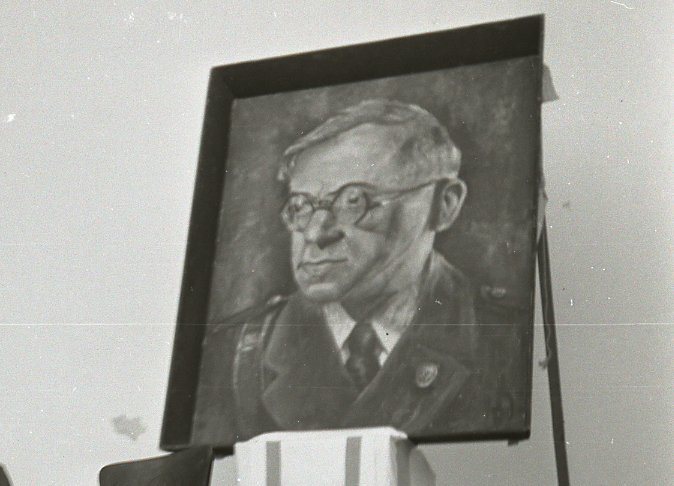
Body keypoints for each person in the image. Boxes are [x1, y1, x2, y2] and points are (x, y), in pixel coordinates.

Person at [192, 98, 529, 447]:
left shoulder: (506, 339)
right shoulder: (231, 353)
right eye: (301, 206)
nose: (315, 233)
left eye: (355, 201)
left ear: (444, 205)